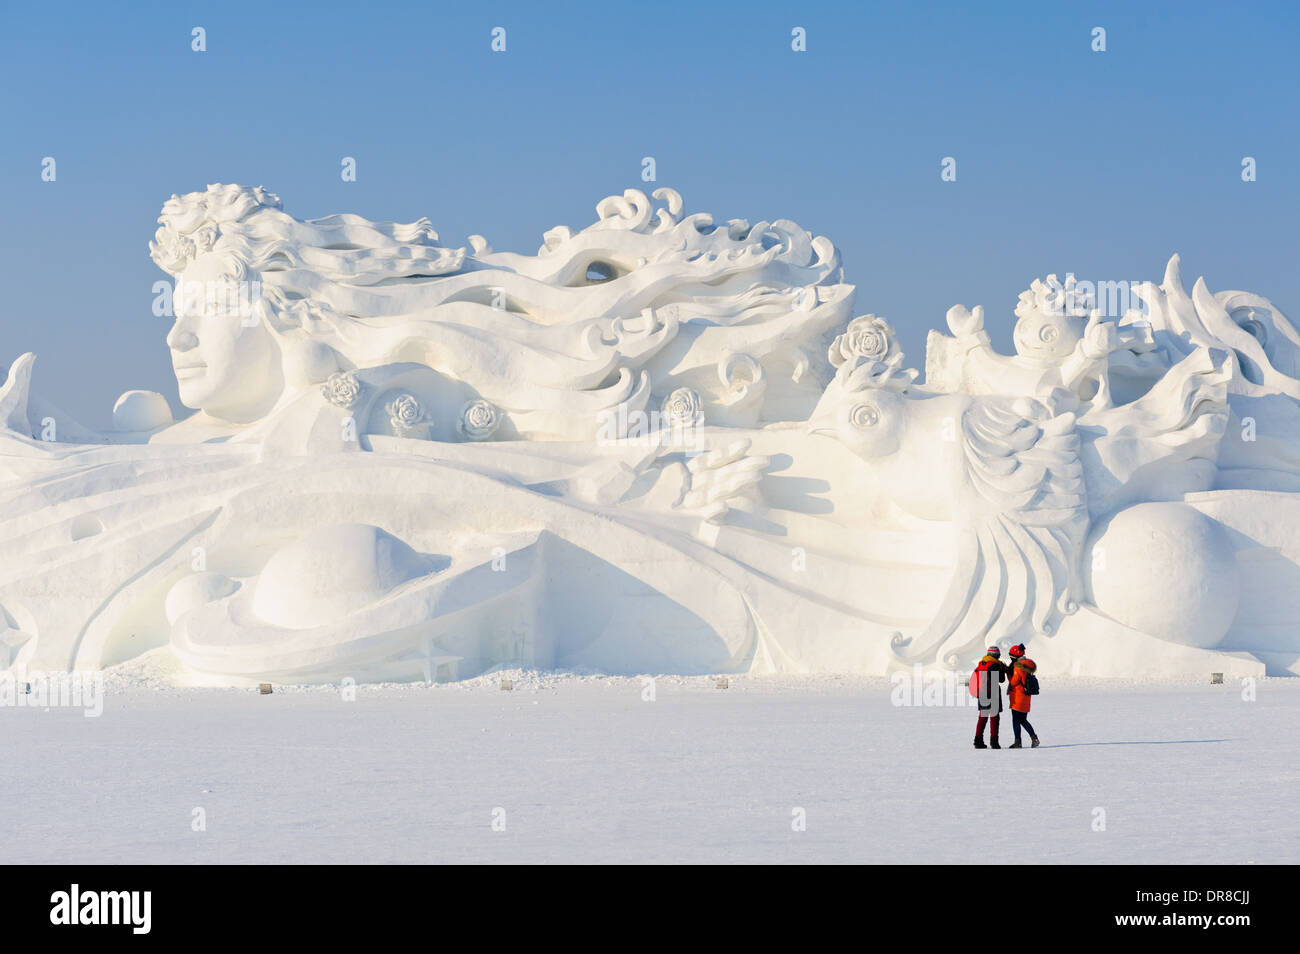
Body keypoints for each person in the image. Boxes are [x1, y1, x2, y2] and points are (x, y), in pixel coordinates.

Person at [972, 646, 1008, 749]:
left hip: (982, 693)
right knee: (994, 718)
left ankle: (978, 741)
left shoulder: (981, 663)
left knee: (982, 718)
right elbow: (1000, 680)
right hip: (992, 692)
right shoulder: (994, 665)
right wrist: (1003, 669)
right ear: (997, 655)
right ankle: (994, 742)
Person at [1006, 644, 1040, 748]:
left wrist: (1008, 672)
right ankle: (1034, 738)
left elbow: (1013, 682)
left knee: (1016, 720)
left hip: (1018, 698)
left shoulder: (1018, 667)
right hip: (1026, 697)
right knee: (1023, 720)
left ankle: (1018, 742)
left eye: (1011, 656)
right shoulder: (1027, 665)